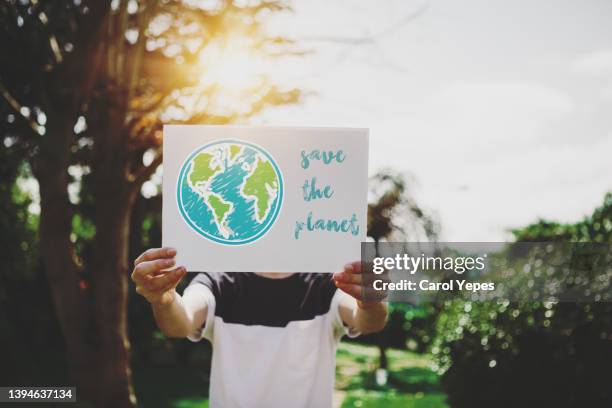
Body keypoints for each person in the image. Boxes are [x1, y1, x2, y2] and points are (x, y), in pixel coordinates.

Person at [131, 247, 388, 408]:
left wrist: (372, 301)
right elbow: (181, 321)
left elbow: (367, 321)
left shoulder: (326, 283)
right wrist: (163, 299)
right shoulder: (219, 281)